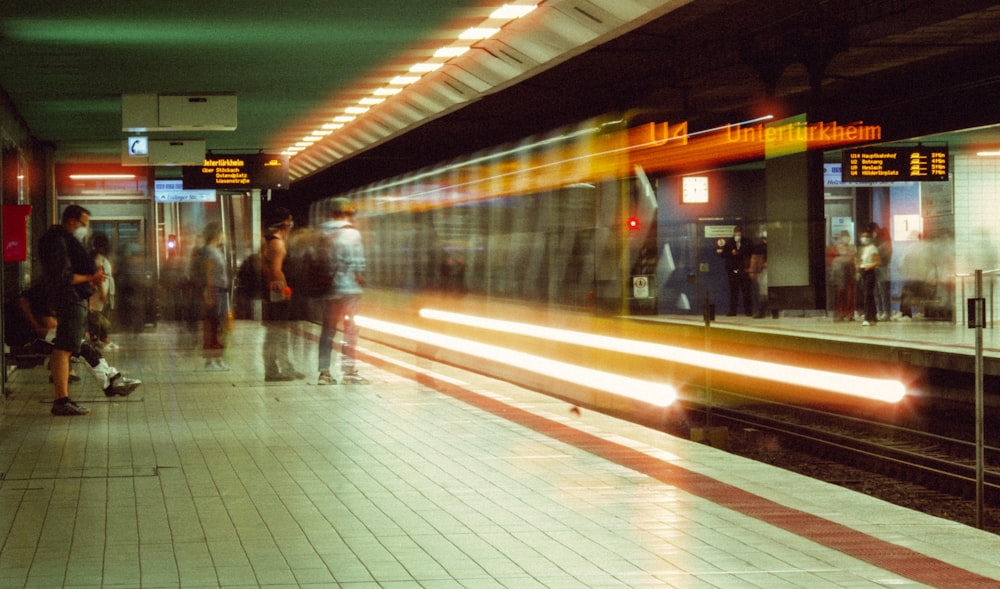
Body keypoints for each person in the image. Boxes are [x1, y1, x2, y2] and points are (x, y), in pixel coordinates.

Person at [5, 284, 141, 396]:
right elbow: (48, 324)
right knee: (81, 347)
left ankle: (112, 379)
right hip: (22, 333)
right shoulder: (51, 291)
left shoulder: (57, 290)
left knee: (84, 348)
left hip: (33, 331)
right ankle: (110, 382)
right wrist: (35, 325)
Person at [37, 204, 106, 415]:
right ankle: (61, 399)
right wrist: (90, 278)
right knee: (64, 348)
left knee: (67, 347)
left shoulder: (61, 240)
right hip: (68, 298)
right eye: (83, 225)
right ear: (72, 220)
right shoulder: (58, 242)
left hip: (71, 298)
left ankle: (63, 398)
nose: (84, 229)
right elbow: (63, 276)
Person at [316, 197, 367, 385]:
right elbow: (358, 262)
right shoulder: (352, 233)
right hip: (349, 290)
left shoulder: (322, 231)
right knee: (350, 331)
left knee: (328, 331)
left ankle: (324, 373)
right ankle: (349, 372)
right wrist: (360, 277)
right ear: (349, 212)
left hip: (329, 289)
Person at [261, 207, 304, 381]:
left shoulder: (268, 240)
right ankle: (273, 370)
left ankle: (285, 367)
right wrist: (285, 290)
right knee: (277, 333)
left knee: (277, 332)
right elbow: (276, 270)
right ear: (284, 222)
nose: (291, 222)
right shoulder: (277, 243)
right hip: (277, 294)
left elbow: (265, 267)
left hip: (271, 292)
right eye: (290, 219)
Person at [200, 222, 230, 369]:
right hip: (215, 291)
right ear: (216, 233)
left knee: (219, 325)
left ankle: (218, 358)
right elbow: (209, 273)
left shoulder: (216, 250)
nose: (223, 236)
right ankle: (211, 360)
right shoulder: (209, 251)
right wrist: (210, 293)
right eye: (221, 232)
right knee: (213, 325)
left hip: (221, 291)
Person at [88, 231, 118, 350]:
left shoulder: (102, 258)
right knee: (98, 316)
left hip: (106, 289)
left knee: (102, 316)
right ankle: (97, 340)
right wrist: (103, 293)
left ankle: (102, 339)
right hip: (100, 291)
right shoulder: (99, 258)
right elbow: (99, 276)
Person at [716, 225, 753, 316]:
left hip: (744, 269)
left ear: (742, 234)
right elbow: (723, 255)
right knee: (733, 291)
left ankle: (748, 311)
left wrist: (739, 253)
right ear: (733, 233)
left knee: (746, 291)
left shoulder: (747, 242)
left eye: (739, 234)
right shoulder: (729, 243)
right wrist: (731, 253)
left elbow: (751, 252)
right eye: (736, 234)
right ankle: (733, 311)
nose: (737, 236)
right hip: (732, 270)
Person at [828, 231, 857, 321]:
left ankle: (850, 314)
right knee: (841, 295)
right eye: (844, 237)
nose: (846, 239)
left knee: (850, 295)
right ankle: (841, 313)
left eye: (847, 237)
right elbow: (834, 261)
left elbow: (855, 260)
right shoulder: (837, 248)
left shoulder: (852, 248)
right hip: (840, 275)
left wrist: (857, 272)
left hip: (850, 273)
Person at [869, 222, 893, 321]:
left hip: (883, 267)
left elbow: (885, 255)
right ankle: (880, 311)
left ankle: (886, 312)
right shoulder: (875, 241)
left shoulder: (885, 243)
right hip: (876, 268)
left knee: (884, 292)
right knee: (877, 292)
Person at [857, 229, 881, 326]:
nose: (864, 239)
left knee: (867, 295)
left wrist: (869, 266)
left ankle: (867, 317)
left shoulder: (872, 248)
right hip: (863, 271)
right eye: (863, 236)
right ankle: (873, 316)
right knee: (868, 295)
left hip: (869, 272)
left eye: (866, 237)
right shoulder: (863, 249)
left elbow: (877, 262)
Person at [748, 226, 768, 318]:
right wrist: (753, 270)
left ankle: (769, 311)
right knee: (763, 290)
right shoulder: (759, 247)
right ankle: (762, 310)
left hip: (766, 270)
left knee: (766, 290)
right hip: (763, 271)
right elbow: (755, 259)